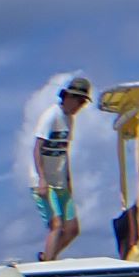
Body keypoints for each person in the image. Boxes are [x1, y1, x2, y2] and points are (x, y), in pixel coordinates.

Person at [31, 76, 90, 261]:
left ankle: (48, 258)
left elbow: (65, 152)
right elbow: (37, 148)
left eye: (84, 102)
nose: (81, 106)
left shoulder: (70, 120)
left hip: (60, 182)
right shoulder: (51, 115)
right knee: (56, 225)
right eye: (80, 101)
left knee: (72, 229)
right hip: (44, 181)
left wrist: (68, 180)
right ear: (69, 97)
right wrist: (42, 179)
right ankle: (48, 265)